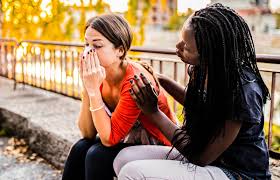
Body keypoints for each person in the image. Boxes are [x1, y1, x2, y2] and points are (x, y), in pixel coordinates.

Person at [113, 3, 271, 180]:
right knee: (123, 159)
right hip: (211, 159)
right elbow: (199, 104)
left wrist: (153, 112)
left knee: (132, 172)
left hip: (237, 172)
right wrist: (160, 80)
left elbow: (201, 157)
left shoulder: (241, 89)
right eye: (181, 39)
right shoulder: (204, 70)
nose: (178, 47)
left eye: (186, 47)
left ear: (210, 53)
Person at [62, 14, 176, 180]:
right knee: (80, 148)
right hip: (128, 140)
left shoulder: (134, 81)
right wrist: (88, 88)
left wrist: (93, 90)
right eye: (86, 44)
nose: (87, 52)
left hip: (158, 145)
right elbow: (87, 132)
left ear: (120, 50)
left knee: (97, 155)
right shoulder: (100, 75)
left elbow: (109, 140)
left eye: (97, 46)